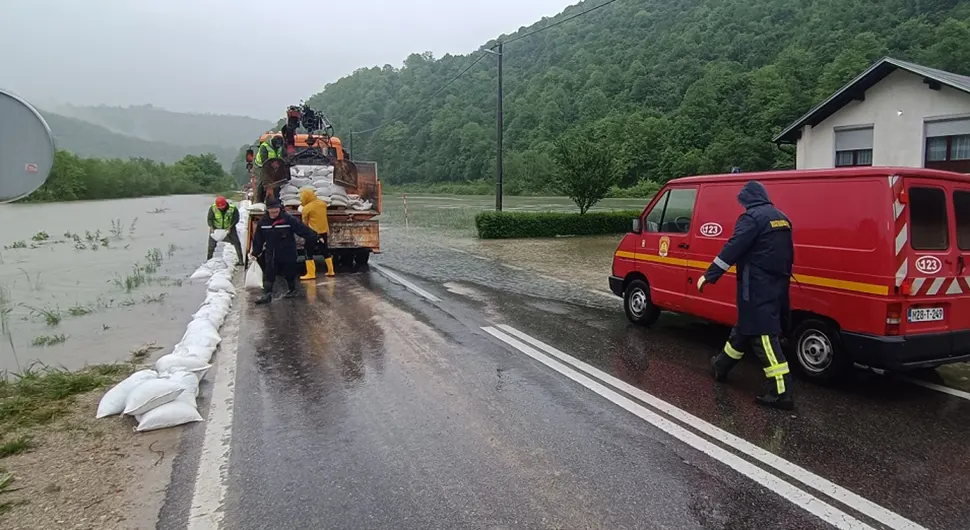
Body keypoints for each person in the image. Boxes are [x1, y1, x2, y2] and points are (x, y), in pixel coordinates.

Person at [697, 180, 795, 410]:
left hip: (756, 287)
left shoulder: (751, 219)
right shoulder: (782, 217)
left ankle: (782, 393)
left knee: (764, 338)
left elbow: (732, 249)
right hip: (777, 284)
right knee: (744, 329)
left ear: (748, 200)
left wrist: (709, 276)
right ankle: (721, 366)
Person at [249, 197, 321, 305]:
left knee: (289, 272)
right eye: (272, 210)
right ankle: (267, 295)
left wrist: (316, 236)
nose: (275, 212)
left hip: (288, 251)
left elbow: (301, 229)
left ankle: (292, 290)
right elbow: (259, 239)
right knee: (269, 273)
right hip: (272, 252)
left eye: (277, 209)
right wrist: (255, 252)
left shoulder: (288, 219)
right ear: (267, 209)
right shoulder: (263, 222)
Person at [298, 189, 335, 279]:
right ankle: (331, 271)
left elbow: (305, 223)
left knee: (308, 251)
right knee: (325, 250)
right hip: (324, 231)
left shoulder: (307, 208)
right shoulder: (323, 204)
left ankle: (311, 273)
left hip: (313, 233)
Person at [206, 196, 243, 261]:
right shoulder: (213, 208)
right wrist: (211, 227)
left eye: (222, 207)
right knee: (211, 246)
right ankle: (208, 261)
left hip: (229, 228)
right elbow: (210, 219)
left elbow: (236, 218)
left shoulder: (232, 208)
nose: (221, 209)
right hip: (216, 228)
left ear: (225, 204)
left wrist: (230, 227)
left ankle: (241, 261)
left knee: (236, 243)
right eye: (219, 207)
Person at [253, 135, 285, 203]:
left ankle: (276, 199)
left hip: (273, 167)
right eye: (277, 145)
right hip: (261, 166)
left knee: (277, 181)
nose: (278, 146)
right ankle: (258, 201)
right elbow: (264, 160)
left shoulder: (280, 147)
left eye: (279, 145)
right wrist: (273, 165)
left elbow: (281, 157)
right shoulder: (264, 146)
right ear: (273, 143)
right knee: (261, 181)